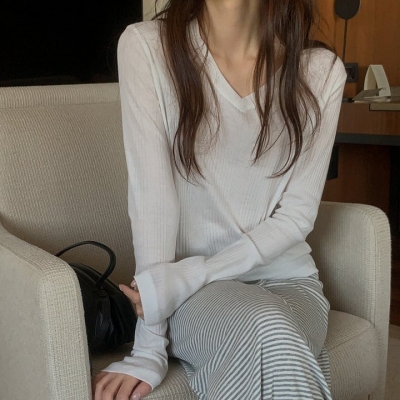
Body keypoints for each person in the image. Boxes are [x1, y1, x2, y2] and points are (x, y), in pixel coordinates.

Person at [93, 0, 346, 399]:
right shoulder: (147, 47)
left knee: (273, 331)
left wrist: (189, 276)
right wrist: (149, 347)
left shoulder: (320, 71)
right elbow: (152, 202)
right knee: (268, 329)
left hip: (290, 284)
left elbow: (297, 216)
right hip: (194, 299)